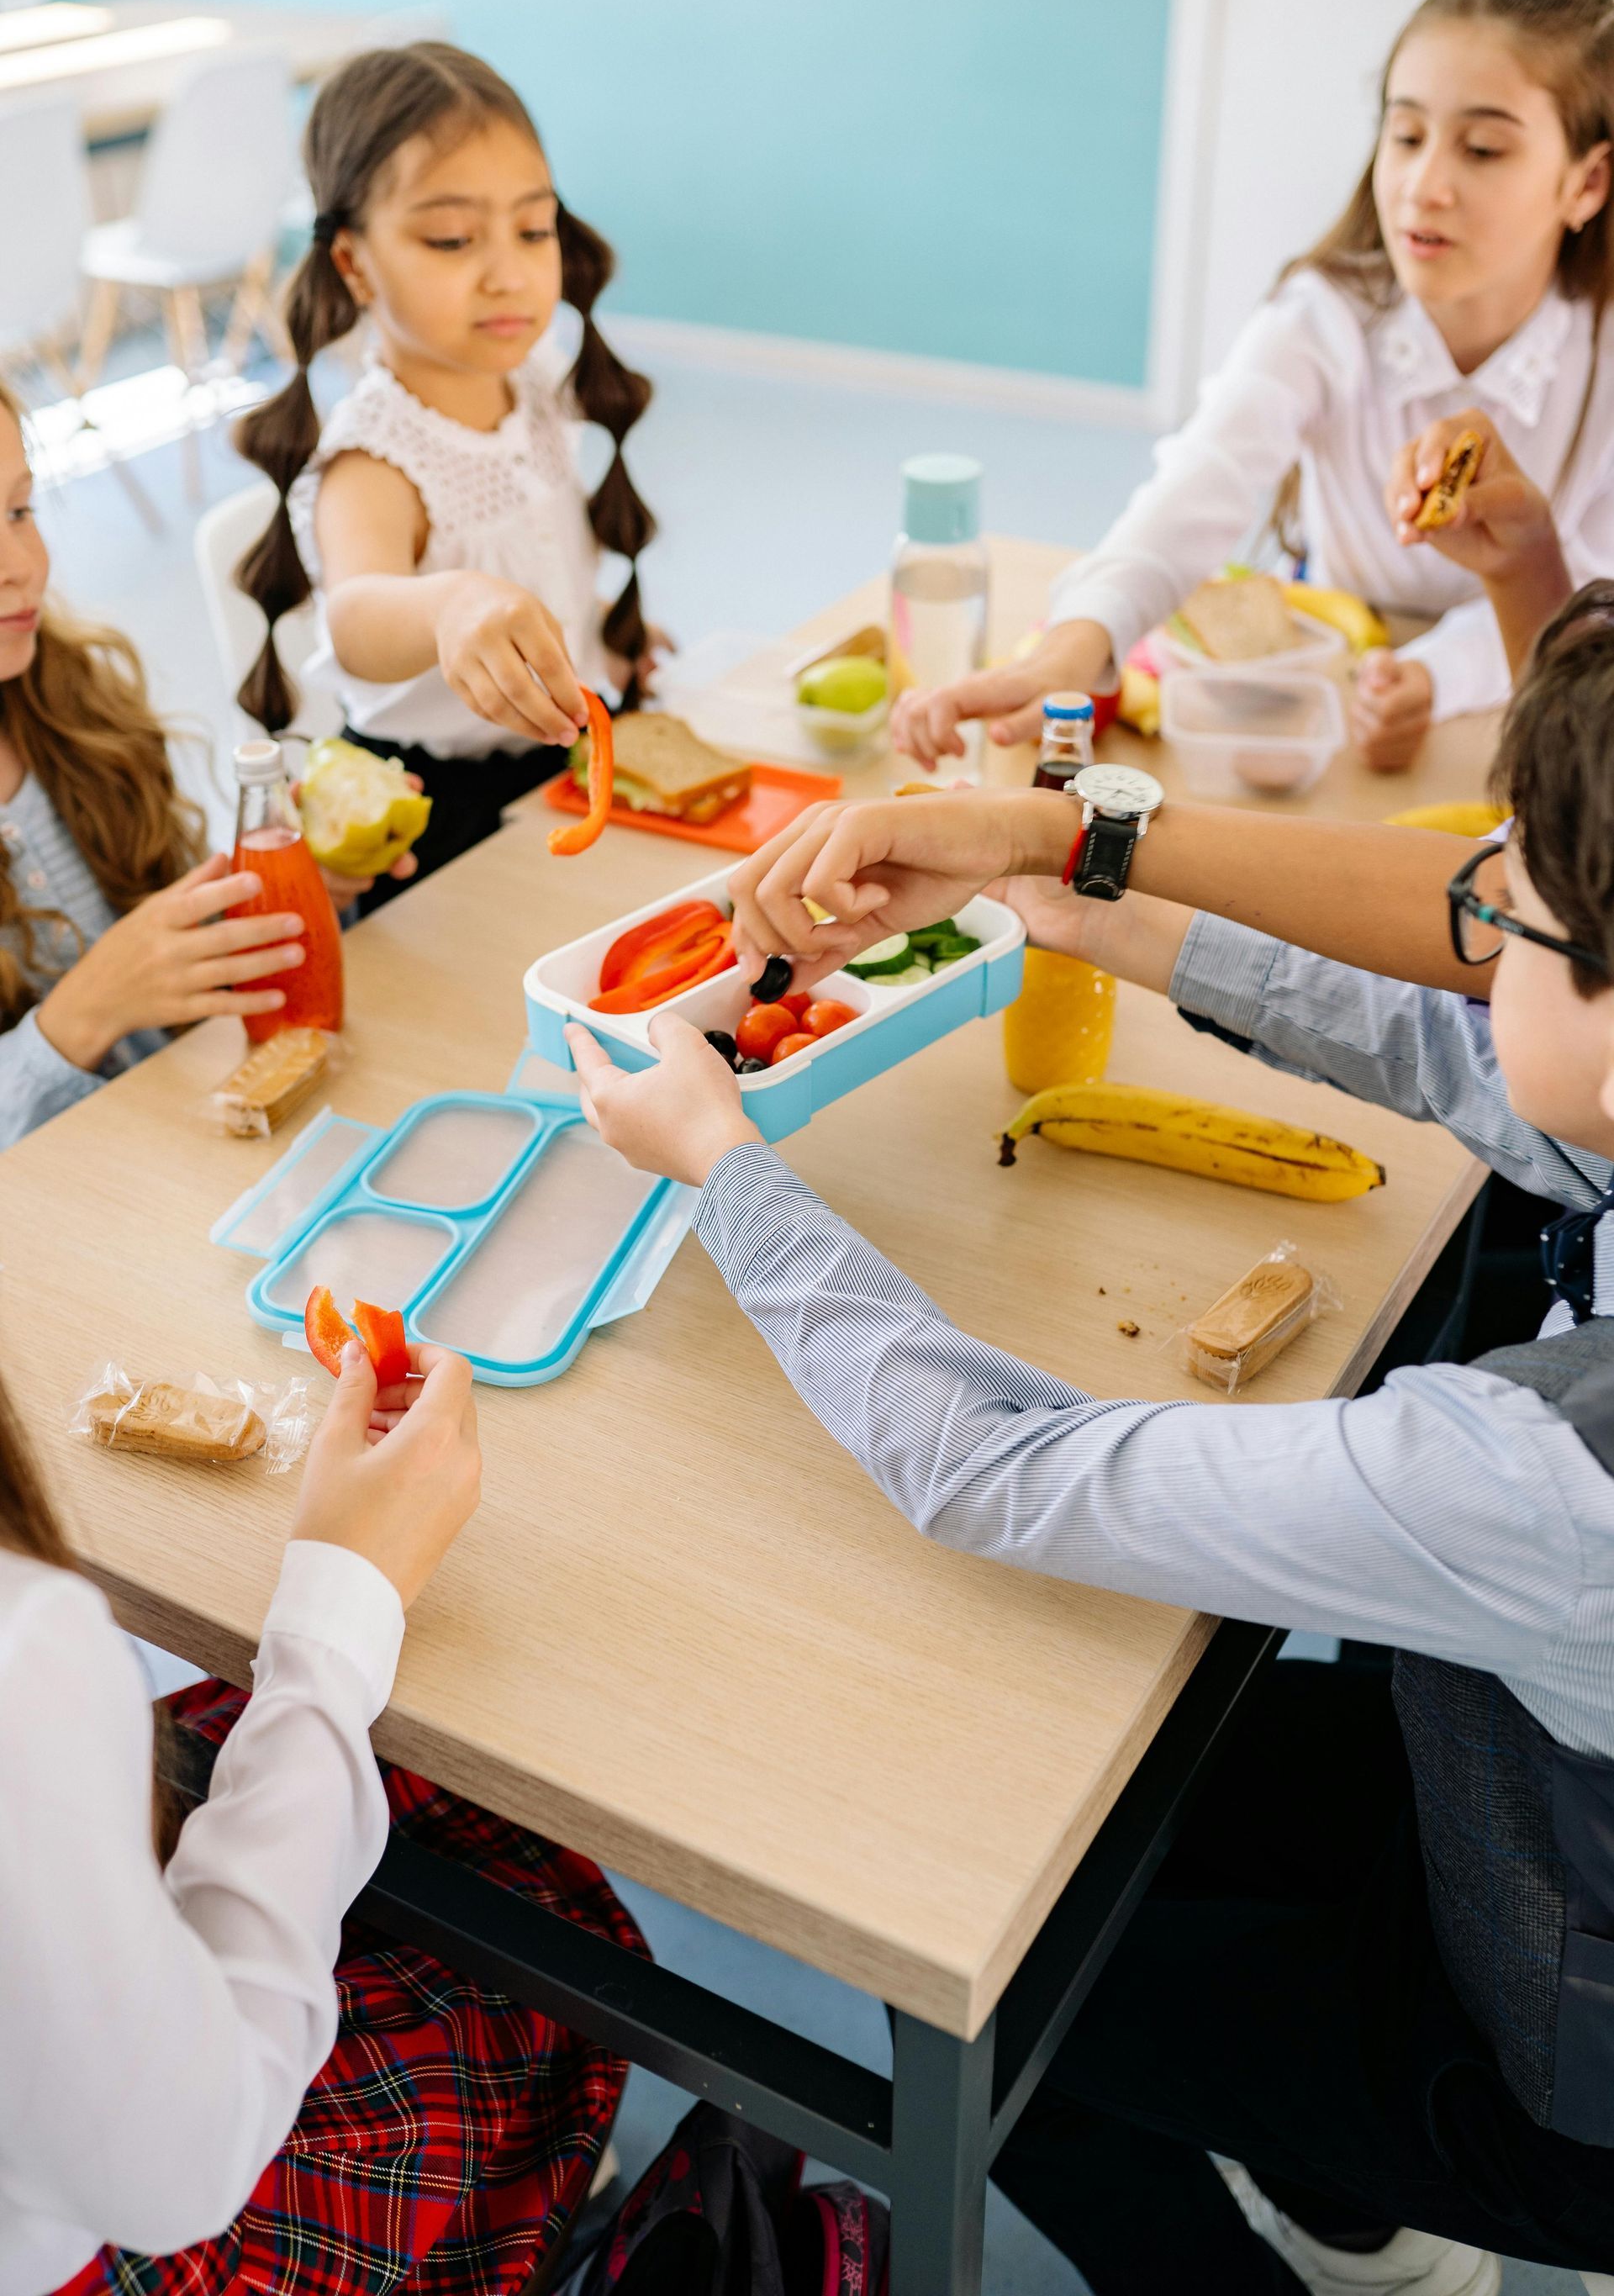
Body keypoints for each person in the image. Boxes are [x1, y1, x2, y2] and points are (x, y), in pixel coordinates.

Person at [565, 579, 1614, 2288]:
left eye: (1516, 907)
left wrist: (721, 1166)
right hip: (1529, 1791)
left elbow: (995, 1468)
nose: (1470, 923)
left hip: (1562, 2071)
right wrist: (1062, 899)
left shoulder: (1550, 1480)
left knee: (973, 1994)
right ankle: (1354, 2208)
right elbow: (1472, 1062)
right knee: (1107, 1799)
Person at [895, 0, 1614, 778]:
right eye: (1406, 135)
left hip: (1521, 715)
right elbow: (1196, 490)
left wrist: (1430, 674)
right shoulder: (1325, 316)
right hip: (1331, 702)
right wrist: (1070, 650)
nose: (1424, 186)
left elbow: (1591, 599)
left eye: (1482, 150)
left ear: (1587, 183)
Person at [2, 1339, 639, 2293]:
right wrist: (340, 1609)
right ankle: (538, 2194)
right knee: (538, 1928)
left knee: (249, 1746)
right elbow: (183, 2169)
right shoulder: (24, 1649)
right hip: (123, 2239)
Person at [234, 42, 663, 908]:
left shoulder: (531, 383)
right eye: (452, 239)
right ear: (354, 263)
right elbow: (355, 617)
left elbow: (543, 539)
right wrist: (451, 603)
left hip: (556, 770)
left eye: (534, 228)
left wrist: (601, 637)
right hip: (440, 819)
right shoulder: (376, 450)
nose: (508, 272)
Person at [0, 384, 309, 1153]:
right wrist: (77, 1020)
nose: (19, 567)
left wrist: (278, 899)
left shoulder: (75, 705)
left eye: (17, 511)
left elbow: (169, 987)